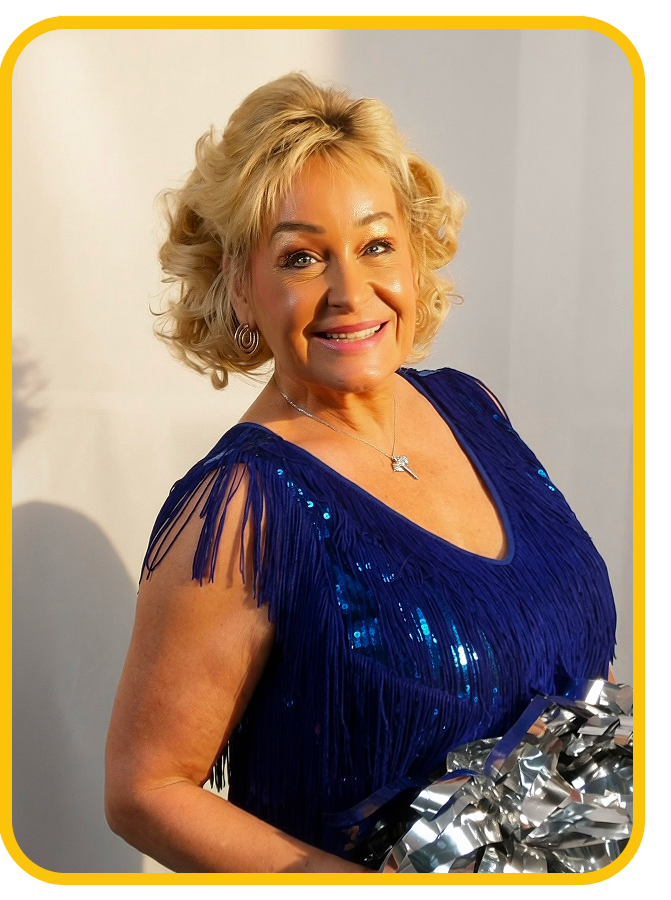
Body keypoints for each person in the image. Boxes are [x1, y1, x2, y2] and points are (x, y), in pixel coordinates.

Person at [104, 73, 616, 874]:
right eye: (301, 258)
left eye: (375, 245)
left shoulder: (472, 407)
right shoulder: (242, 505)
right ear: (239, 285)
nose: (349, 291)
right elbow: (146, 788)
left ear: (414, 254)